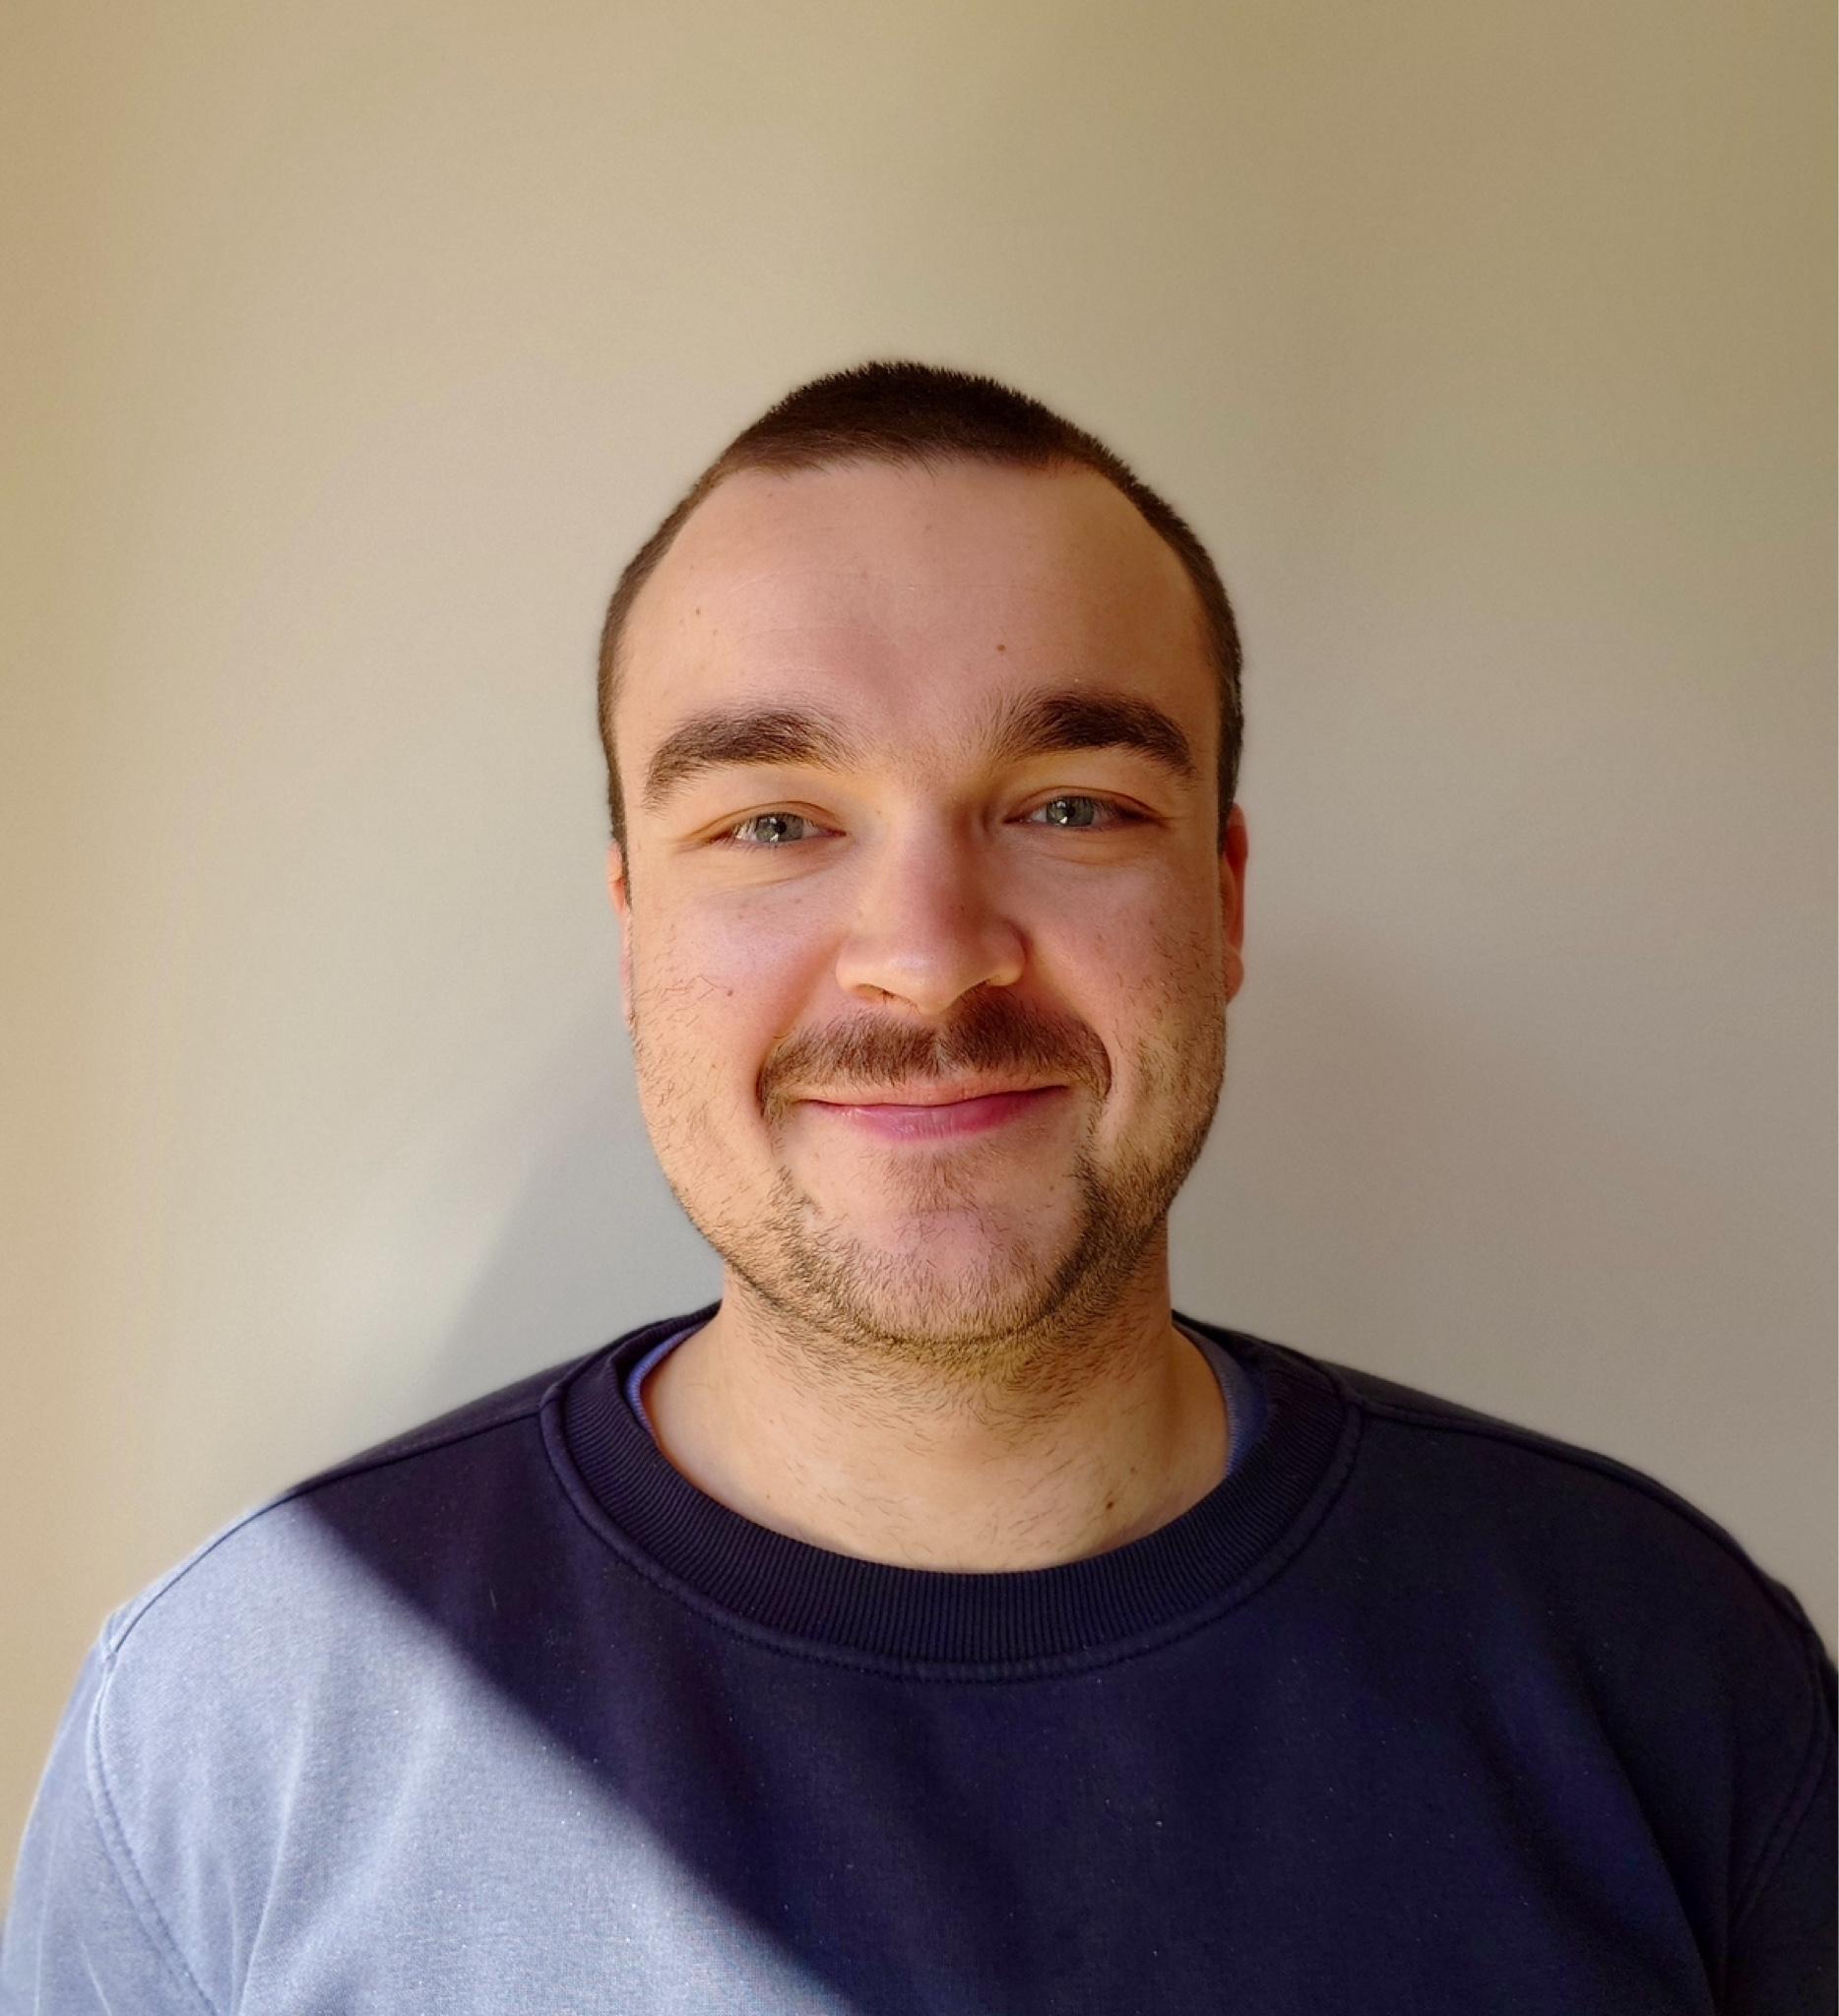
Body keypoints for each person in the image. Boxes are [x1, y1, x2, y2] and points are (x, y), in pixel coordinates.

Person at [2, 362, 1831, 2014]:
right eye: (774, 822)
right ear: (634, 929)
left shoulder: (1665, 1671)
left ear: (1224, 900)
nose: (933, 959)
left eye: (1071, 805)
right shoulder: (235, 1727)